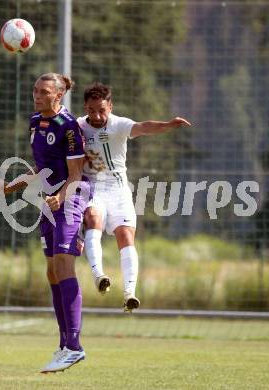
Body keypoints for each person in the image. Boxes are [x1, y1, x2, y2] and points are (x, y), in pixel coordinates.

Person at [0, 73, 89, 373]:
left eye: (44, 91)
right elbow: (42, 167)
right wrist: (16, 185)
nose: (37, 95)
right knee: (51, 272)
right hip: (48, 202)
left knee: (63, 266)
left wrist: (60, 198)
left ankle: (74, 346)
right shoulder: (35, 121)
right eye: (35, 90)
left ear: (58, 96)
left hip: (69, 199)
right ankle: (64, 345)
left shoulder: (70, 127)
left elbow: (75, 175)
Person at [78, 82, 191, 312]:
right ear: (85, 107)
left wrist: (168, 125)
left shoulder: (119, 125)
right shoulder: (78, 126)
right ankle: (99, 275)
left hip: (119, 191)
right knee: (93, 222)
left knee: (126, 236)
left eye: (102, 109)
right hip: (94, 190)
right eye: (91, 110)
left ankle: (130, 293)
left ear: (110, 106)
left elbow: (144, 127)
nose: (97, 115)